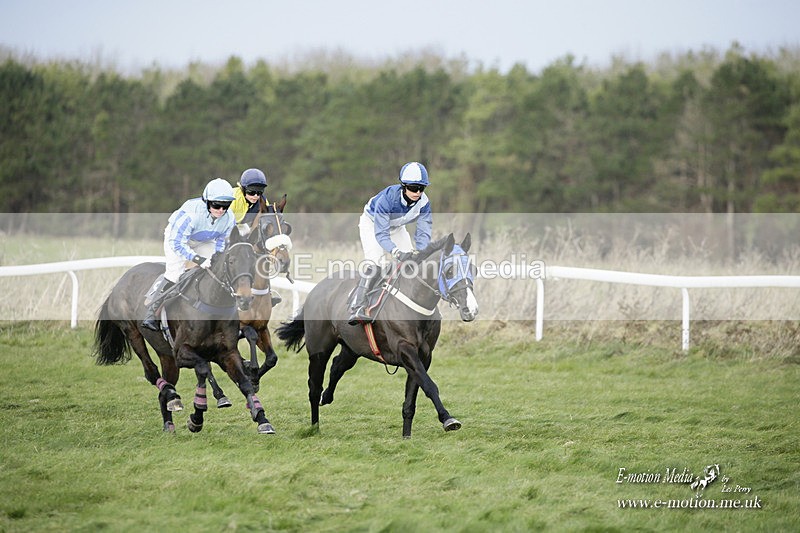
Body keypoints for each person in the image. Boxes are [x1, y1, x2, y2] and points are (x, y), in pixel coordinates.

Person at [141, 178, 236, 331]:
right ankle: (151, 313)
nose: (221, 210)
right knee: (175, 273)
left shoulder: (229, 218)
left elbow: (222, 241)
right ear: (206, 202)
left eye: (226, 206)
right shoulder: (191, 214)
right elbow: (177, 243)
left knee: (215, 268)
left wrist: (217, 257)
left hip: (204, 240)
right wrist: (197, 259)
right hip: (177, 239)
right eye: (216, 205)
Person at [348, 161, 432, 325]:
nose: (418, 192)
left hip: (397, 227)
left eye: (422, 188)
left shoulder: (424, 202)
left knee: (413, 263)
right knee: (376, 264)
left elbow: (423, 231)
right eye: (414, 188)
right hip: (372, 225)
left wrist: (421, 251)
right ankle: (357, 306)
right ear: (404, 186)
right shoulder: (387, 199)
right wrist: (396, 252)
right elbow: (381, 234)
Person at [230, 167, 282, 307]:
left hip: (243, 228)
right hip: (225, 229)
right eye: (251, 192)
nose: (255, 196)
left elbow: (260, 223)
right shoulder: (232, 198)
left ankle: (267, 292)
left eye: (259, 192)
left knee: (258, 253)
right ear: (242, 189)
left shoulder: (262, 201)